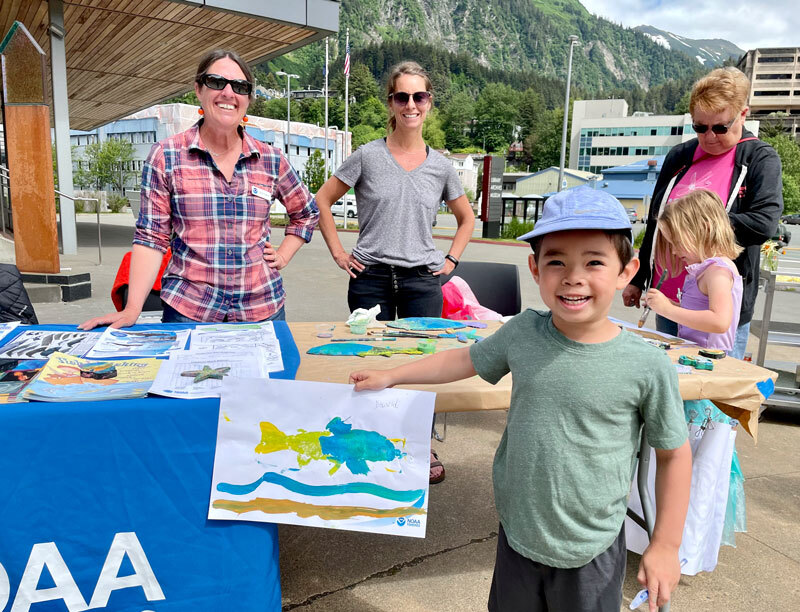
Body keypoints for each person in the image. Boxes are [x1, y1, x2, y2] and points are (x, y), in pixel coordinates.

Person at [350, 187, 692, 612]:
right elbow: (464, 360)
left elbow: (674, 455)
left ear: (627, 271)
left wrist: (665, 545)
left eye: (594, 262)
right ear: (534, 268)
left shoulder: (647, 365)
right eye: (556, 262)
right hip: (518, 535)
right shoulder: (524, 332)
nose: (573, 276)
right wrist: (393, 375)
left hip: (591, 549)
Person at [314, 60, 475, 484]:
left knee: (423, 361)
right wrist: (337, 252)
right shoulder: (367, 156)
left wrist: (452, 260)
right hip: (369, 277)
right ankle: (372, 438)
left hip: (423, 279)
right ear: (391, 102)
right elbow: (322, 200)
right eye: (402, 96)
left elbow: (466, 219)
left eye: (418, 96)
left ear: (429, 103)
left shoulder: (441, 166)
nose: (410, 104)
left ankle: (421, 443)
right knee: (370, 360)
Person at [80, 49, 318, 330]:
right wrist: (132, 309)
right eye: (217, 82)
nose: (229, 93)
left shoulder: (271, 159)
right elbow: (151, 237)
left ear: (248, 99)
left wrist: (283, 254)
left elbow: (306, 213)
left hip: (262, 310)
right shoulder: (166, 156)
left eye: (240, 87)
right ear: (198, 89)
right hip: (189, 311)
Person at [623, 66, 783, 359]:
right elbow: (658, 221)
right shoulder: (680, 156)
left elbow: (764, 224)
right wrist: (639, 277)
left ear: (743, 115)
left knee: (711, 389)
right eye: (699, 127)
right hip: (669, 294)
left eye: (720, 127)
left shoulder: (759, 158)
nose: (709, 137)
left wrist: (695, 226)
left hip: (714, 305)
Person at [644, 189, 743, 352]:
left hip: (709, 358)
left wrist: (668, 310)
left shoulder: (718, 271)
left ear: (705, 230)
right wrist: (670, 303)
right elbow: (699, 310)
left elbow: (719, 321)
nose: (674, 251)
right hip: (697, 354)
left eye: (677, 242)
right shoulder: (705, 269)